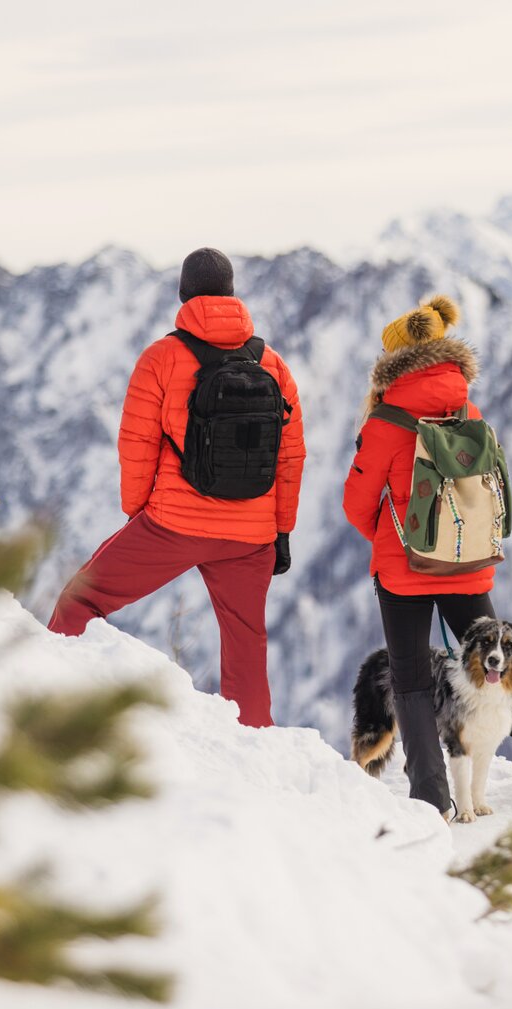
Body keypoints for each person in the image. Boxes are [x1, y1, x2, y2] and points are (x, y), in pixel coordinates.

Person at [48, 247, 305, 727]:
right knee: (246, 646)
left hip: (173, 524)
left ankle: (49, 703)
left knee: (80, 599)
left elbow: (137, 445)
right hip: (252, 536)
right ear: (231, 293)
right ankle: (258, 752)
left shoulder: (162, 358)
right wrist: (281, 532)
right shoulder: (273, 364)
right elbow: (290, 458)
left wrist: (139, 513)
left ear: (183, 295)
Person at [342, 294, 512, 813]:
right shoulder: (467, 408)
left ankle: (433, 798)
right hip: (466, 563)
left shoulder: (385, 421)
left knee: (411, 678)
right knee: (503, 660)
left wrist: (392, 536)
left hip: (404, 570)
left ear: (392, 362)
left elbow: (356, 503)